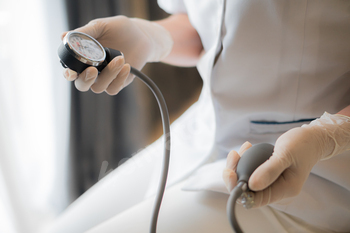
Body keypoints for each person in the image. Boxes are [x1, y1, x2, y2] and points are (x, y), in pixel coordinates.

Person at [48, 0, 350, 232]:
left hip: (313, 167)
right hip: (202, 131)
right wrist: (150, 36)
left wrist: (326, 137)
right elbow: (214, 28)